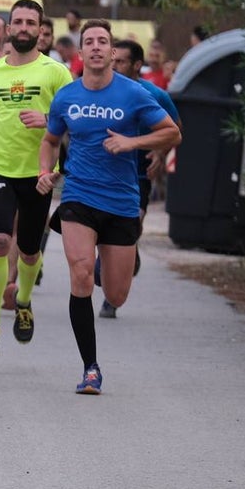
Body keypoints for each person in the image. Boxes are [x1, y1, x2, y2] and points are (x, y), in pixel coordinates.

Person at [38, 19, 181, 394]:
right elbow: (51, 139)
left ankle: (112, 260)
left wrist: (132, 144)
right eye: (90, 42)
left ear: (113, 52)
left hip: (121, 201)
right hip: (78, 197)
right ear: (81, 52)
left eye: (104, 41)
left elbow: (172, 132)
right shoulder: (67, 96)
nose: (97, 47)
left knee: (116, 294)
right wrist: (45, 170)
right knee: (81, 274)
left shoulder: (133, 94)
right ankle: (90, 368)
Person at [0, 0, 72, 355]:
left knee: (28, 250)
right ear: (9, 29)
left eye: (31, 22)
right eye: (18, 22)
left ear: (41, 31)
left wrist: (49, 122)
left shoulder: (55, 72)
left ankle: (23, 300)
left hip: (40, 173)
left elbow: (76, 122)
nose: (24, 27)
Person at [97, 38, 183, 318]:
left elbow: (175, 129)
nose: (115, 65)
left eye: (121, 61)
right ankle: (117, 256)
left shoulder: (154, 94)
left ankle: (113, 294)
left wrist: (159, 152)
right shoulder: (100, 90)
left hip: (138, 173)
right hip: (103, 172)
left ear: (136, 65)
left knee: (132, 224)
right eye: (114, 59)